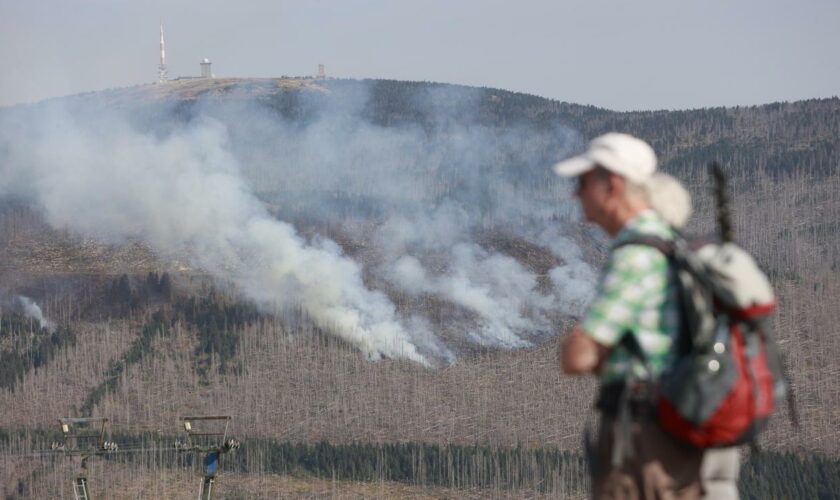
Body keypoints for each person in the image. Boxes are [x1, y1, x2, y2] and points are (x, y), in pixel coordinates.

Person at [554, 133, 704, 499]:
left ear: (613, 186)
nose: (576, 194)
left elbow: (578, 357)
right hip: (673, 429)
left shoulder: (634, 255)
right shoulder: (670, 242)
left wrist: (581, 344)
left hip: (641, 438)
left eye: (583, 182)